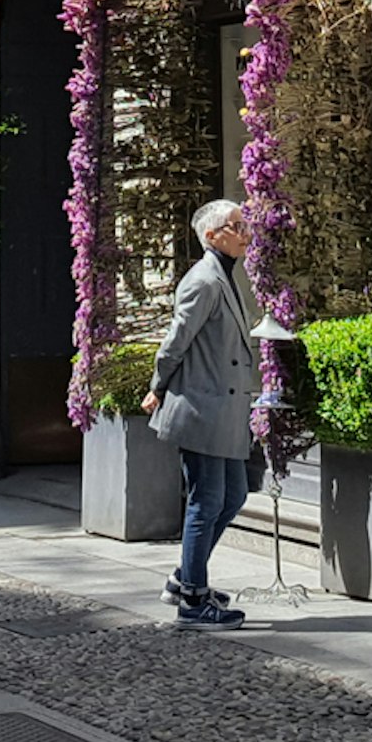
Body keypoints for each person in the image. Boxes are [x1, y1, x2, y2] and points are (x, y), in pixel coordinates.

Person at [145, 198, 259, 629]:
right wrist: (157, 385)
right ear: (212, 236)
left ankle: (184, 579)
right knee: (206, 501)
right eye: (235, 226)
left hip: (222, 408)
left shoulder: (226, 277)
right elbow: (175, 342)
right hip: (202, 408)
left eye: (244, 224)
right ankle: (193, 599)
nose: (244, 233)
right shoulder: (204, 280)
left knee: (233, 496)